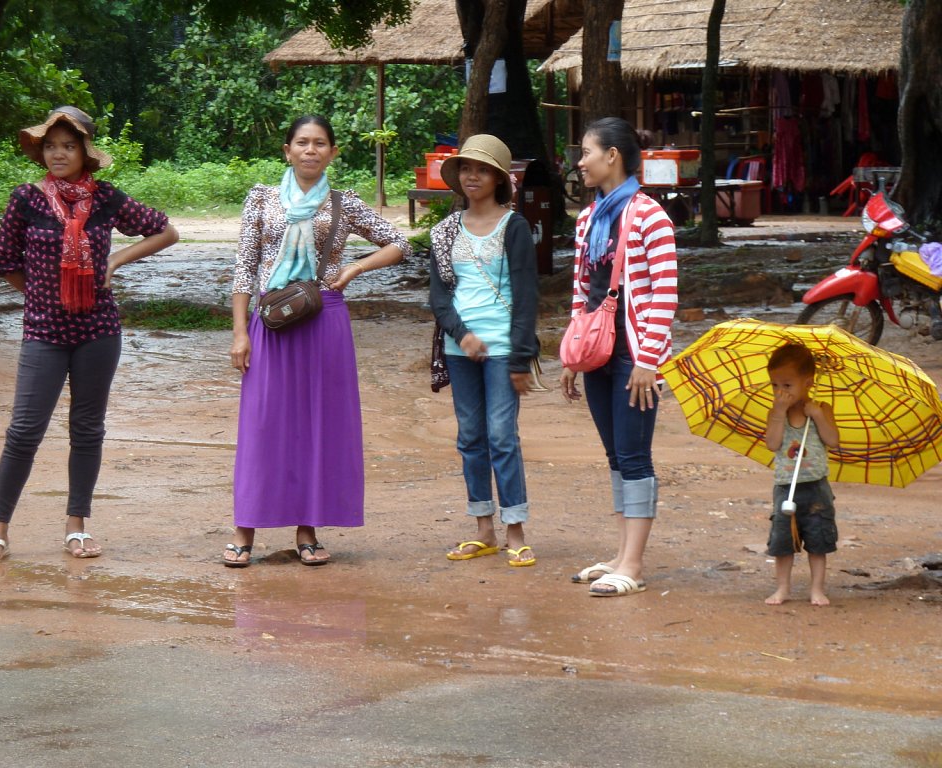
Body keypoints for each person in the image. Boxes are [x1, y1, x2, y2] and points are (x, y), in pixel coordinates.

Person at [0, 106, 179, 562]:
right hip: (44, 331)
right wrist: (42, 296)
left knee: (87, 430)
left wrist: (115, 261)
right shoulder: (25, 199)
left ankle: (76, 524)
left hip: (98, 329)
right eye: (50, 146)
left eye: (68, 146)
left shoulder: (106, 198)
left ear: (85, 152)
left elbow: (167, 232)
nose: (58, 153)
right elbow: (4, 261)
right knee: (24, 430)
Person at [224, 115, 411, 567]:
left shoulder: (345, 204)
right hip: (270, 322)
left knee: (317, 427)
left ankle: (307, 531)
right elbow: (244, 266)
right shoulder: (262, 200)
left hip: (325, 319)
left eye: (320, 143)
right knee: (263, 425)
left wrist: (354, 270)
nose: (311, 150)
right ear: (286, 150)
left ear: (333, 152)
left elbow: (398, 242)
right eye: (302, 143)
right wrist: (238, 332)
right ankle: (244, 530)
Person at [560, 117, 678, 596]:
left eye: (587, 152)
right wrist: (572, 353)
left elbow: (665, 294)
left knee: (633, 454)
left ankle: (633, 564)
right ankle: (619, 553)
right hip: (598, 351)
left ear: (613, 156)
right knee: (614, 455)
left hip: (636, 356)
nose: (580, 161)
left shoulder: (651, 215)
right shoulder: (589, 217)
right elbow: (581, 288)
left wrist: (649, 360)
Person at [428, 134, 540, 568]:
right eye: (466, 170)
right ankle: (483, 529)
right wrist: (462, 334)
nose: (472, 176)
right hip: (461, 351)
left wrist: (519, 357)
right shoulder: (443, 233)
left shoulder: (515, 227)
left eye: (482, 169)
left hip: (503, 348)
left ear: (499, 179)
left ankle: (516, 529)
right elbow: (438, 299)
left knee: (501, 436)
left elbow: (527, 296)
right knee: (470, 437)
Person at [763, 342, 839, 606]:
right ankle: (783, 587)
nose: (780, 392)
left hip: (817, 488)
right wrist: (779, 413)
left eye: (787, 385)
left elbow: (833, 440)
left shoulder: (821, 409)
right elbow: (772, 444)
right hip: (786, 487)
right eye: (775, 385)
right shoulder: (776, 413)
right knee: (782, 542)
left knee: (818, 540)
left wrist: (817, 416)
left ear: (808, 382)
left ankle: (816, 588)